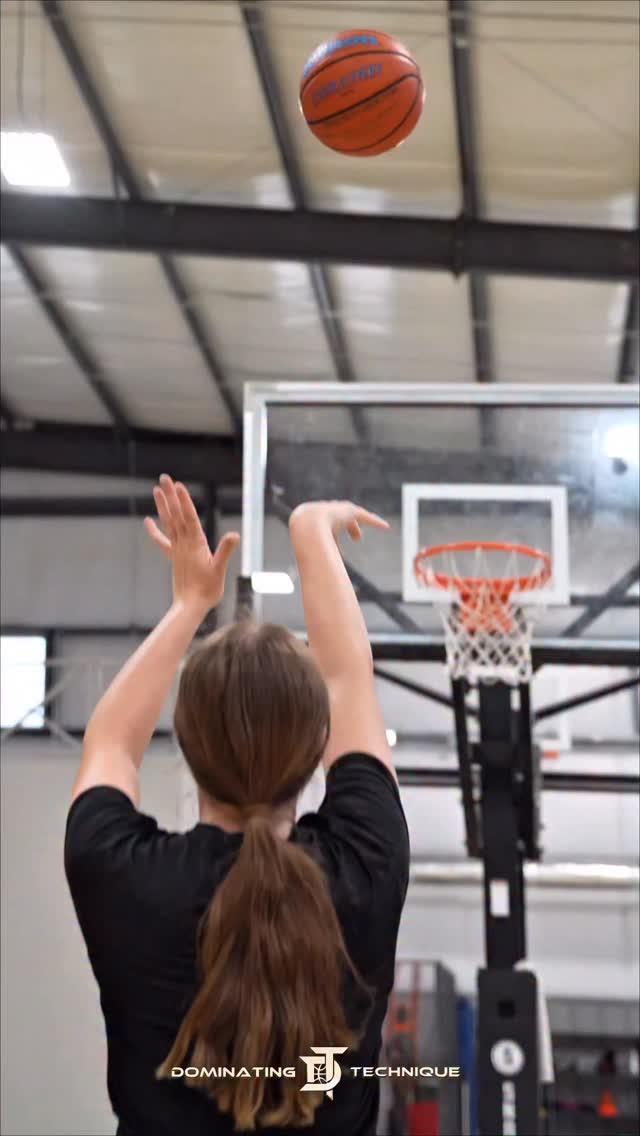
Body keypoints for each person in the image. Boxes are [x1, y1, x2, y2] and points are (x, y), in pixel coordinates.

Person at [65, 474, 410, 1136]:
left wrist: (191, 603)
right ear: (317, 750)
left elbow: (110, 743)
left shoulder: (118, 871)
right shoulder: (368, 863)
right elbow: (348, 680)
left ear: (188, 747)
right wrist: (312, 533)